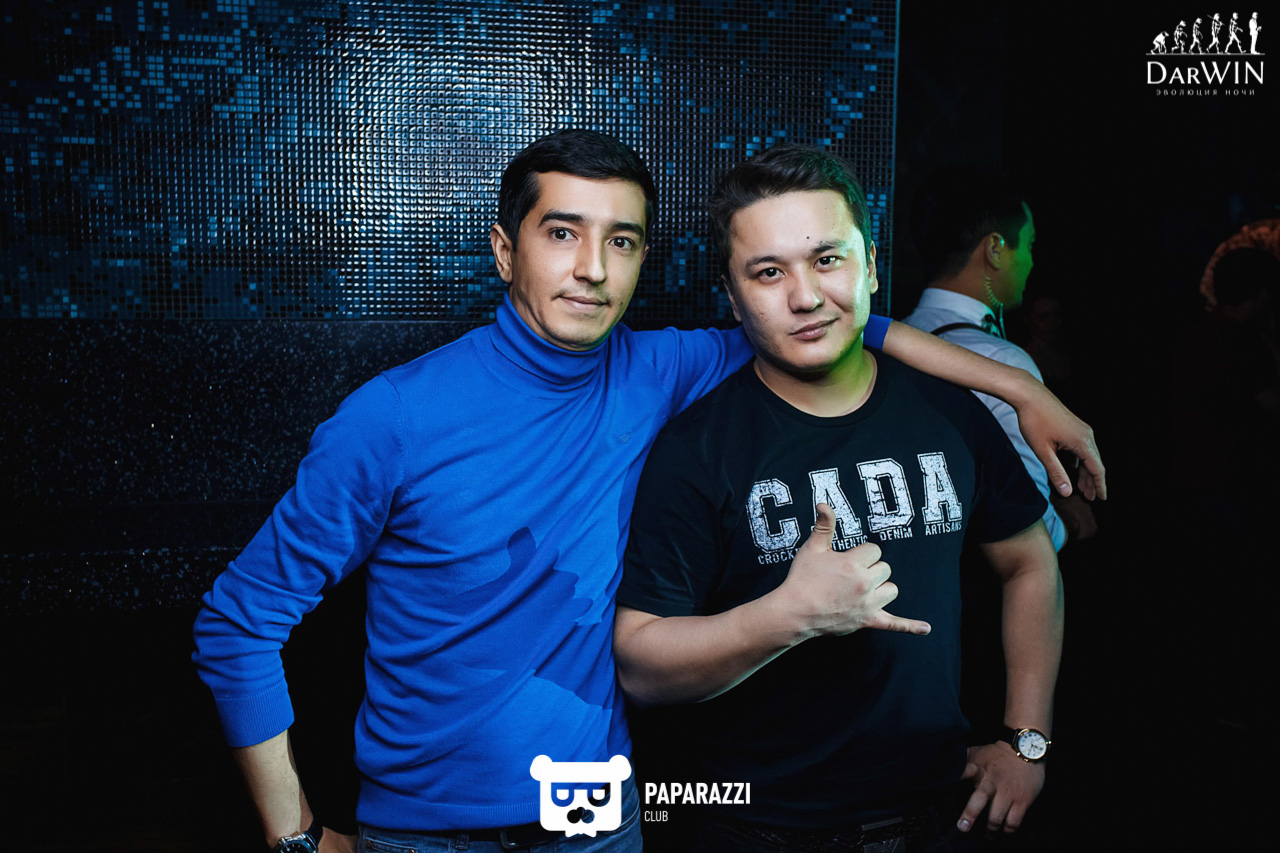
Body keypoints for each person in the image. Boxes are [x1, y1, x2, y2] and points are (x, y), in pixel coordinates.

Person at [193, 130, 1101, 853]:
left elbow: (844, 318)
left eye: (620, 240)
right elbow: (237, 623)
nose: (592, 266)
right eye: (562, 233)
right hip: (428, 829)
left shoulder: (660, 368)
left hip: (598, 814)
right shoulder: (394, 416)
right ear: (505, 251)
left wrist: (1022, 391)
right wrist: (297, 837)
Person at [614, 144, 1063, 851]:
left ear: (872, 264)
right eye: (768, 272)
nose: (805, 296)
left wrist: (1026, 739)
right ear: (731, 295)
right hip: (755, 827)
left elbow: (1030, 562)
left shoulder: (948, 410)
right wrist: (787, 615)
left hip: (936, 815)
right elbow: (640, 667)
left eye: (827, 259)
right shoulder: (697, 448)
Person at [904, 168, 1093, 551]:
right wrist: (1071, 522)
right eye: (1029, 245)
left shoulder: (894, 340)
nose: (1030, 262)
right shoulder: (1003, 362)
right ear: (994, 249)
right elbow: (1030, 526)